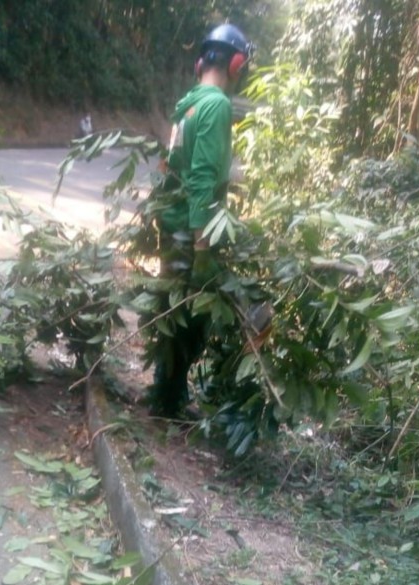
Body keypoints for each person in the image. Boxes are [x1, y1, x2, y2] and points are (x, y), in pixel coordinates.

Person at [146, 23, 253, 418]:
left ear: (200, 62)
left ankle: (164, 395)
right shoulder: (217, 105)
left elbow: (169, 165)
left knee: (174, 315)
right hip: (192, 232)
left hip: (172, 225)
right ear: (237, 63)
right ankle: (167, 405)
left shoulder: (187, 104)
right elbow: (203, 180)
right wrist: (203, 248)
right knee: (191, 320)